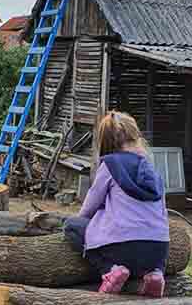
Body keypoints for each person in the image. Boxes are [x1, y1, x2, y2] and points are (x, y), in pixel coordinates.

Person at [64, 111, 170, 295]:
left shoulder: (110, 165)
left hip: (121, 248)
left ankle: (111, 270)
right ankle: (155, 274)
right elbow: (163, 213)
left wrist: (86, 223)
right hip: (157, 248)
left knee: (72, 226)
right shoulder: (152, 170)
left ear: (106, 141)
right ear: (136, 136)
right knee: (154, 242)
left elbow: (90, 207)